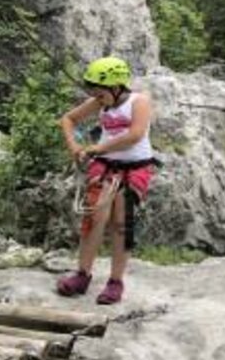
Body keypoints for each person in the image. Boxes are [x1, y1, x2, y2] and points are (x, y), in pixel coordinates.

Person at [55, 57, 157, 305]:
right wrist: (75, 147)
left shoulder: (139, 102)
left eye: (100, 94)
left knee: (122, 224)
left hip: (135, 168)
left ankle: (115, 281)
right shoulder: (101, 101)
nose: (97, 99)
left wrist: (97, 148)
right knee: (93, 218)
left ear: (116, 87)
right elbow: (68, 120)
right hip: (106, 167)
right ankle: (82, 274)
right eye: (95, 94)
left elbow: (135, 135)